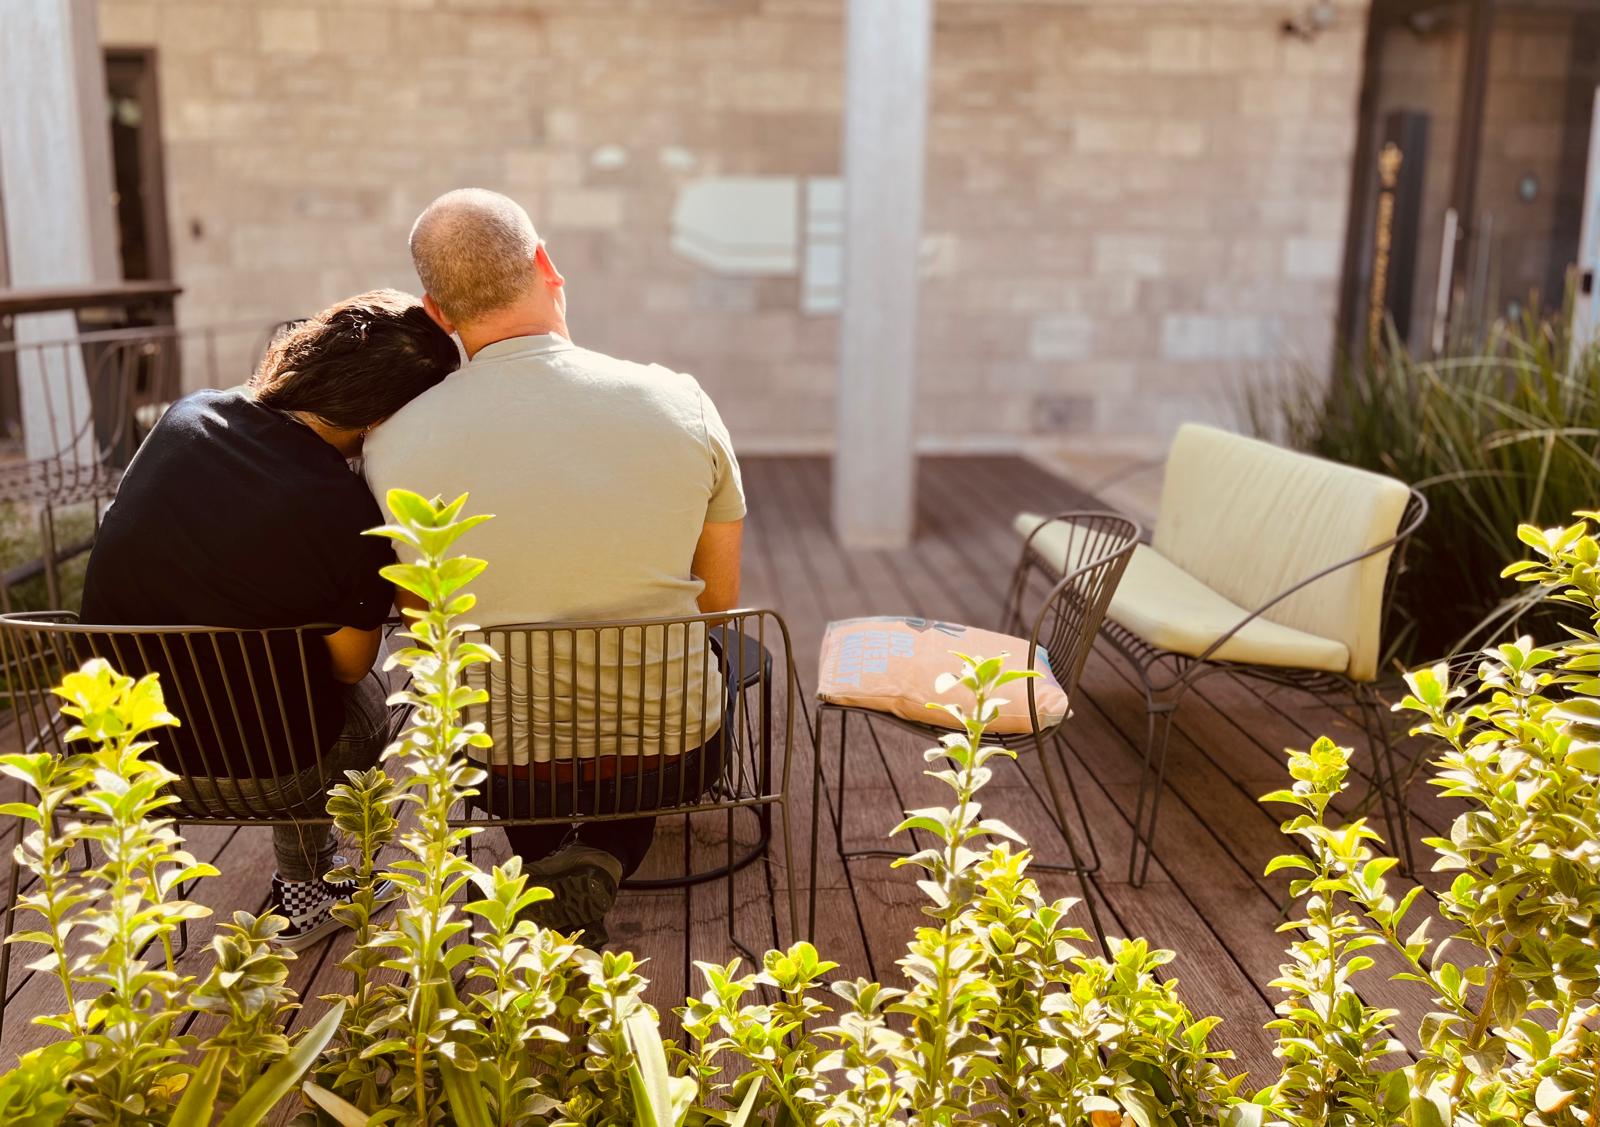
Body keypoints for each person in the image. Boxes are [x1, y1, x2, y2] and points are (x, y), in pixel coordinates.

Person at [364, 188, 745, 943]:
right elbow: (720, 606)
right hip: (671, 754)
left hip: (502, 761)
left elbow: (424, 619)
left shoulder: (390, 443)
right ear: (546, 265)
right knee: (680, 696)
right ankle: (603, 852)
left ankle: (552, 861)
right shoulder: (682, 401)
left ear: (438, 313)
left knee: (516, 732)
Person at [80, 290, 461, 947]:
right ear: (389, 413)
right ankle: (308, 888)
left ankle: (136, 922)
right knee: (366, 703)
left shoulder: (184, 415)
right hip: (266, 770)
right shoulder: (345, 508)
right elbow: (349, 665)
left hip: (123, 752)